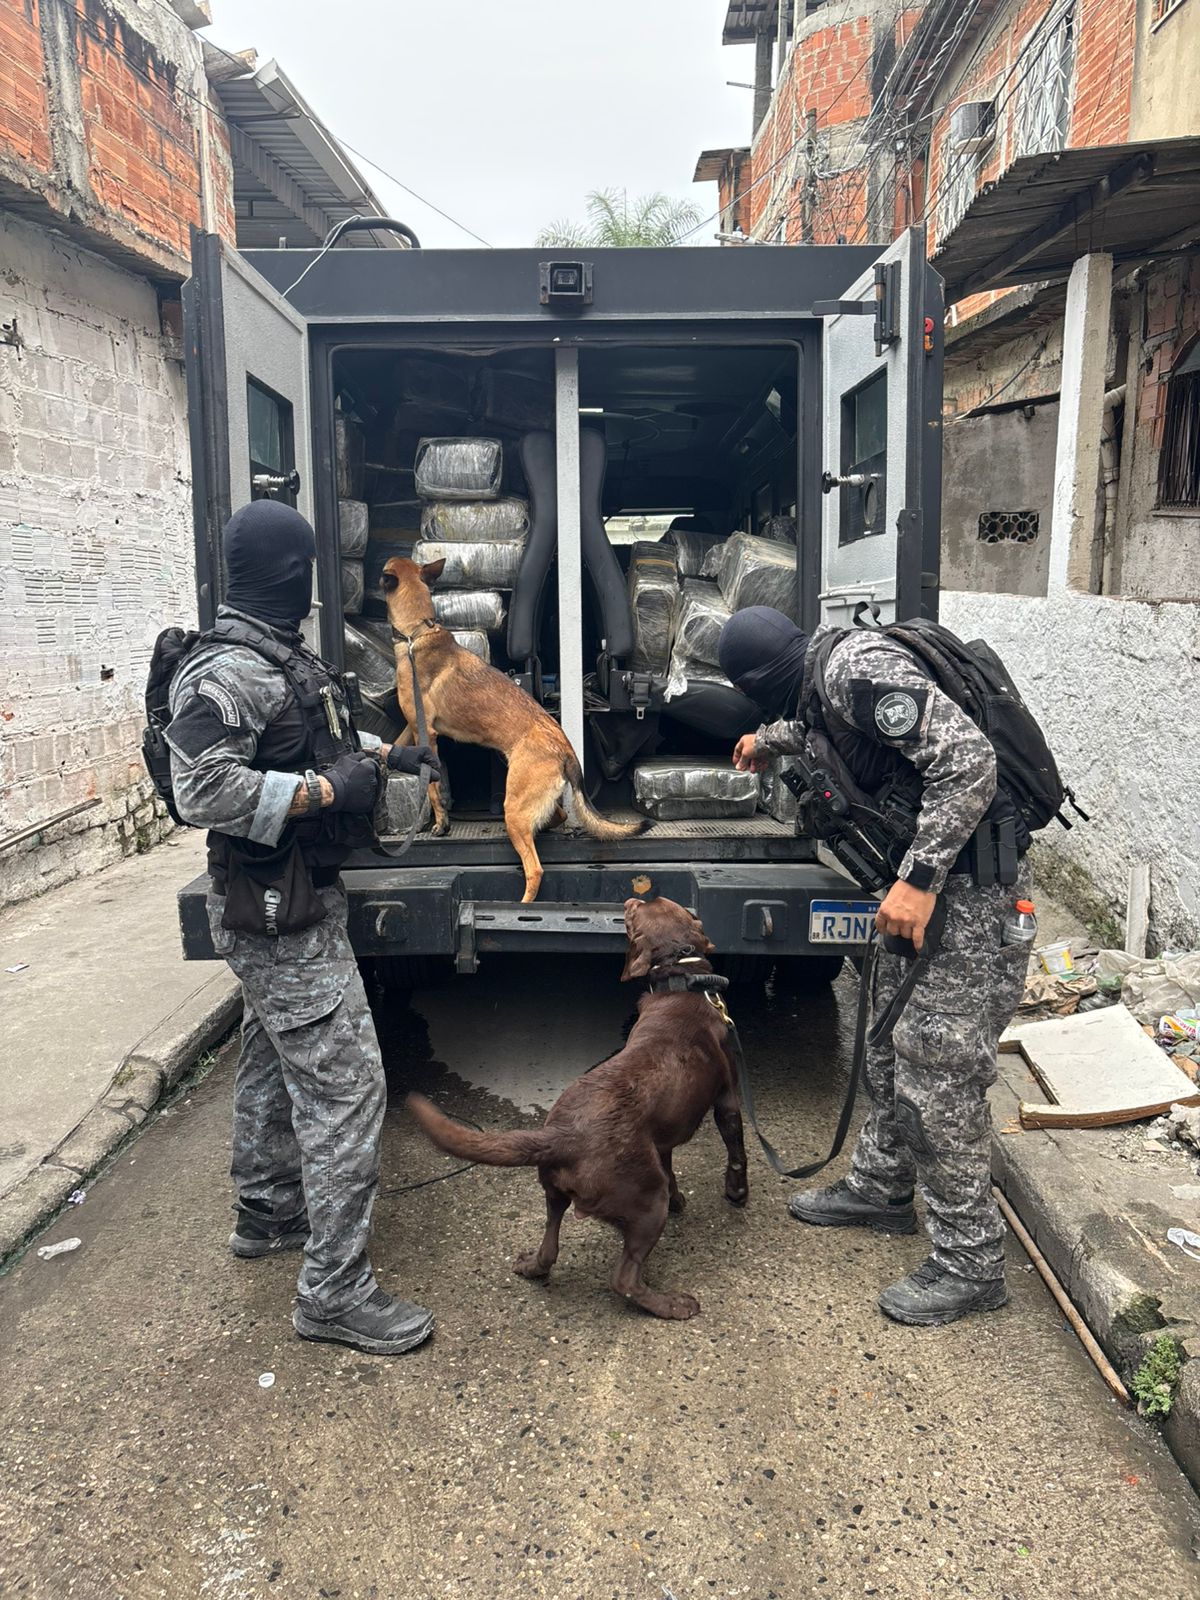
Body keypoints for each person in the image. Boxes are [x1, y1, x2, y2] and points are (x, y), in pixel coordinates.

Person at [166, 499, 439, 1356]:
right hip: (276, 908)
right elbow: (200, 791)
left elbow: (306, 738)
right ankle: (333, 1292)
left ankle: (268, 1212)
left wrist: (386, 757)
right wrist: (326, 795)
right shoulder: (226, 672)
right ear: (293, 575)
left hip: (283, 901)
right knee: (348, 1083)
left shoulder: (271, 656)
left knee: (270, 1058)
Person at [718, 605, 1029, 1327]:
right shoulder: (821, 679)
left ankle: (971, 1264)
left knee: (938, 1073)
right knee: (889, 1043)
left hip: (968, 894)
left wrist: (918, 881)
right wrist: (768, 743)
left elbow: (968, 761)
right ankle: (882, 1187)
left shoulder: (854, 667)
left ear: (761, 677)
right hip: (930, 889)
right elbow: (832, 731)